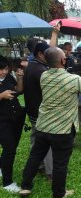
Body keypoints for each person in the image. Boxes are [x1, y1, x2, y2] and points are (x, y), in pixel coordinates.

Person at [19, 47, 81, 198]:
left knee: (35, 157)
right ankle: (58, 194)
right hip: (63, 129)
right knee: (60, 162)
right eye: (65, 56)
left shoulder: (44, 76)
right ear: (63, 61)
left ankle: (25, 187)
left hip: (43, 126)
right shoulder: (73, 79)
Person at [23, 42, 53, 180]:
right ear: (40, 54)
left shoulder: (31, 66)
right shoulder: (41, 70)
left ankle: (39, 166)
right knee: (46, 141)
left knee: (36, 138)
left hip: (32, 110)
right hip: (41, 111)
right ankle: (50, 172)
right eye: (48, 54)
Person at [0, 56, 25, 193]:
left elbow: (19, 90)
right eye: (1, 70)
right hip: (2, 121)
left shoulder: (9, 77)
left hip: (15, 118)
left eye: (5, 69)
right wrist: (1, 95)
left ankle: (1, 167)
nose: (3, 72)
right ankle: (7, 183)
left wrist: (20, 77)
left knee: (12, 146)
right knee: (9, 149)